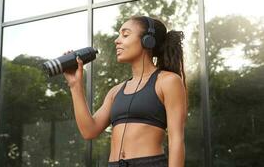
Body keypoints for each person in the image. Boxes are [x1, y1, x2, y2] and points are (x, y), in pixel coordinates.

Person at [63, 15, 188, 167]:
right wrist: (75, 85)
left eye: (125, 34)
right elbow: (89, 131)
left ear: (147, 40)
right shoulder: (115, 91)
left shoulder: (168, 81)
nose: (117, 40)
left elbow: (176, 140)